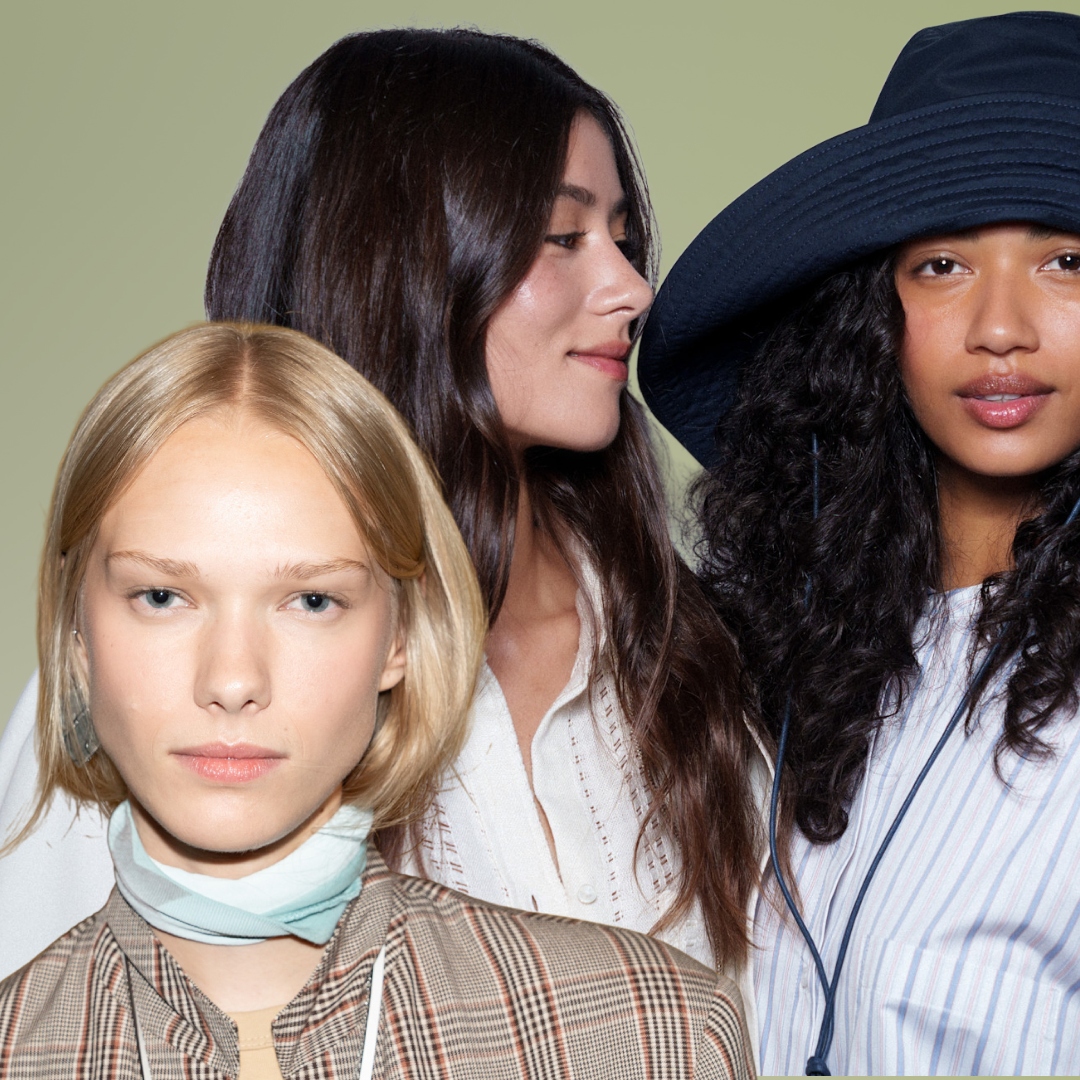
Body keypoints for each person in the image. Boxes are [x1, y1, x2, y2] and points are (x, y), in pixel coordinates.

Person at [0, 26, 767, 1011]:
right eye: (564, 237)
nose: (630, 289)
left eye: (624, 238)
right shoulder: (157, 680)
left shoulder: (683, 642)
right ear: (401, 261)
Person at [0, 322, 754, 1080]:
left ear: (400, 636)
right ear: (75, 633)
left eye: (311, 601)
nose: (231, 681)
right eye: (161, 596)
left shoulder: (653, 1033)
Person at [637, 11, 1080, 1076]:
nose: (1002, 328)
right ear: (868, 317)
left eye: (1067, 260)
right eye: (941, 266)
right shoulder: (778, 655)